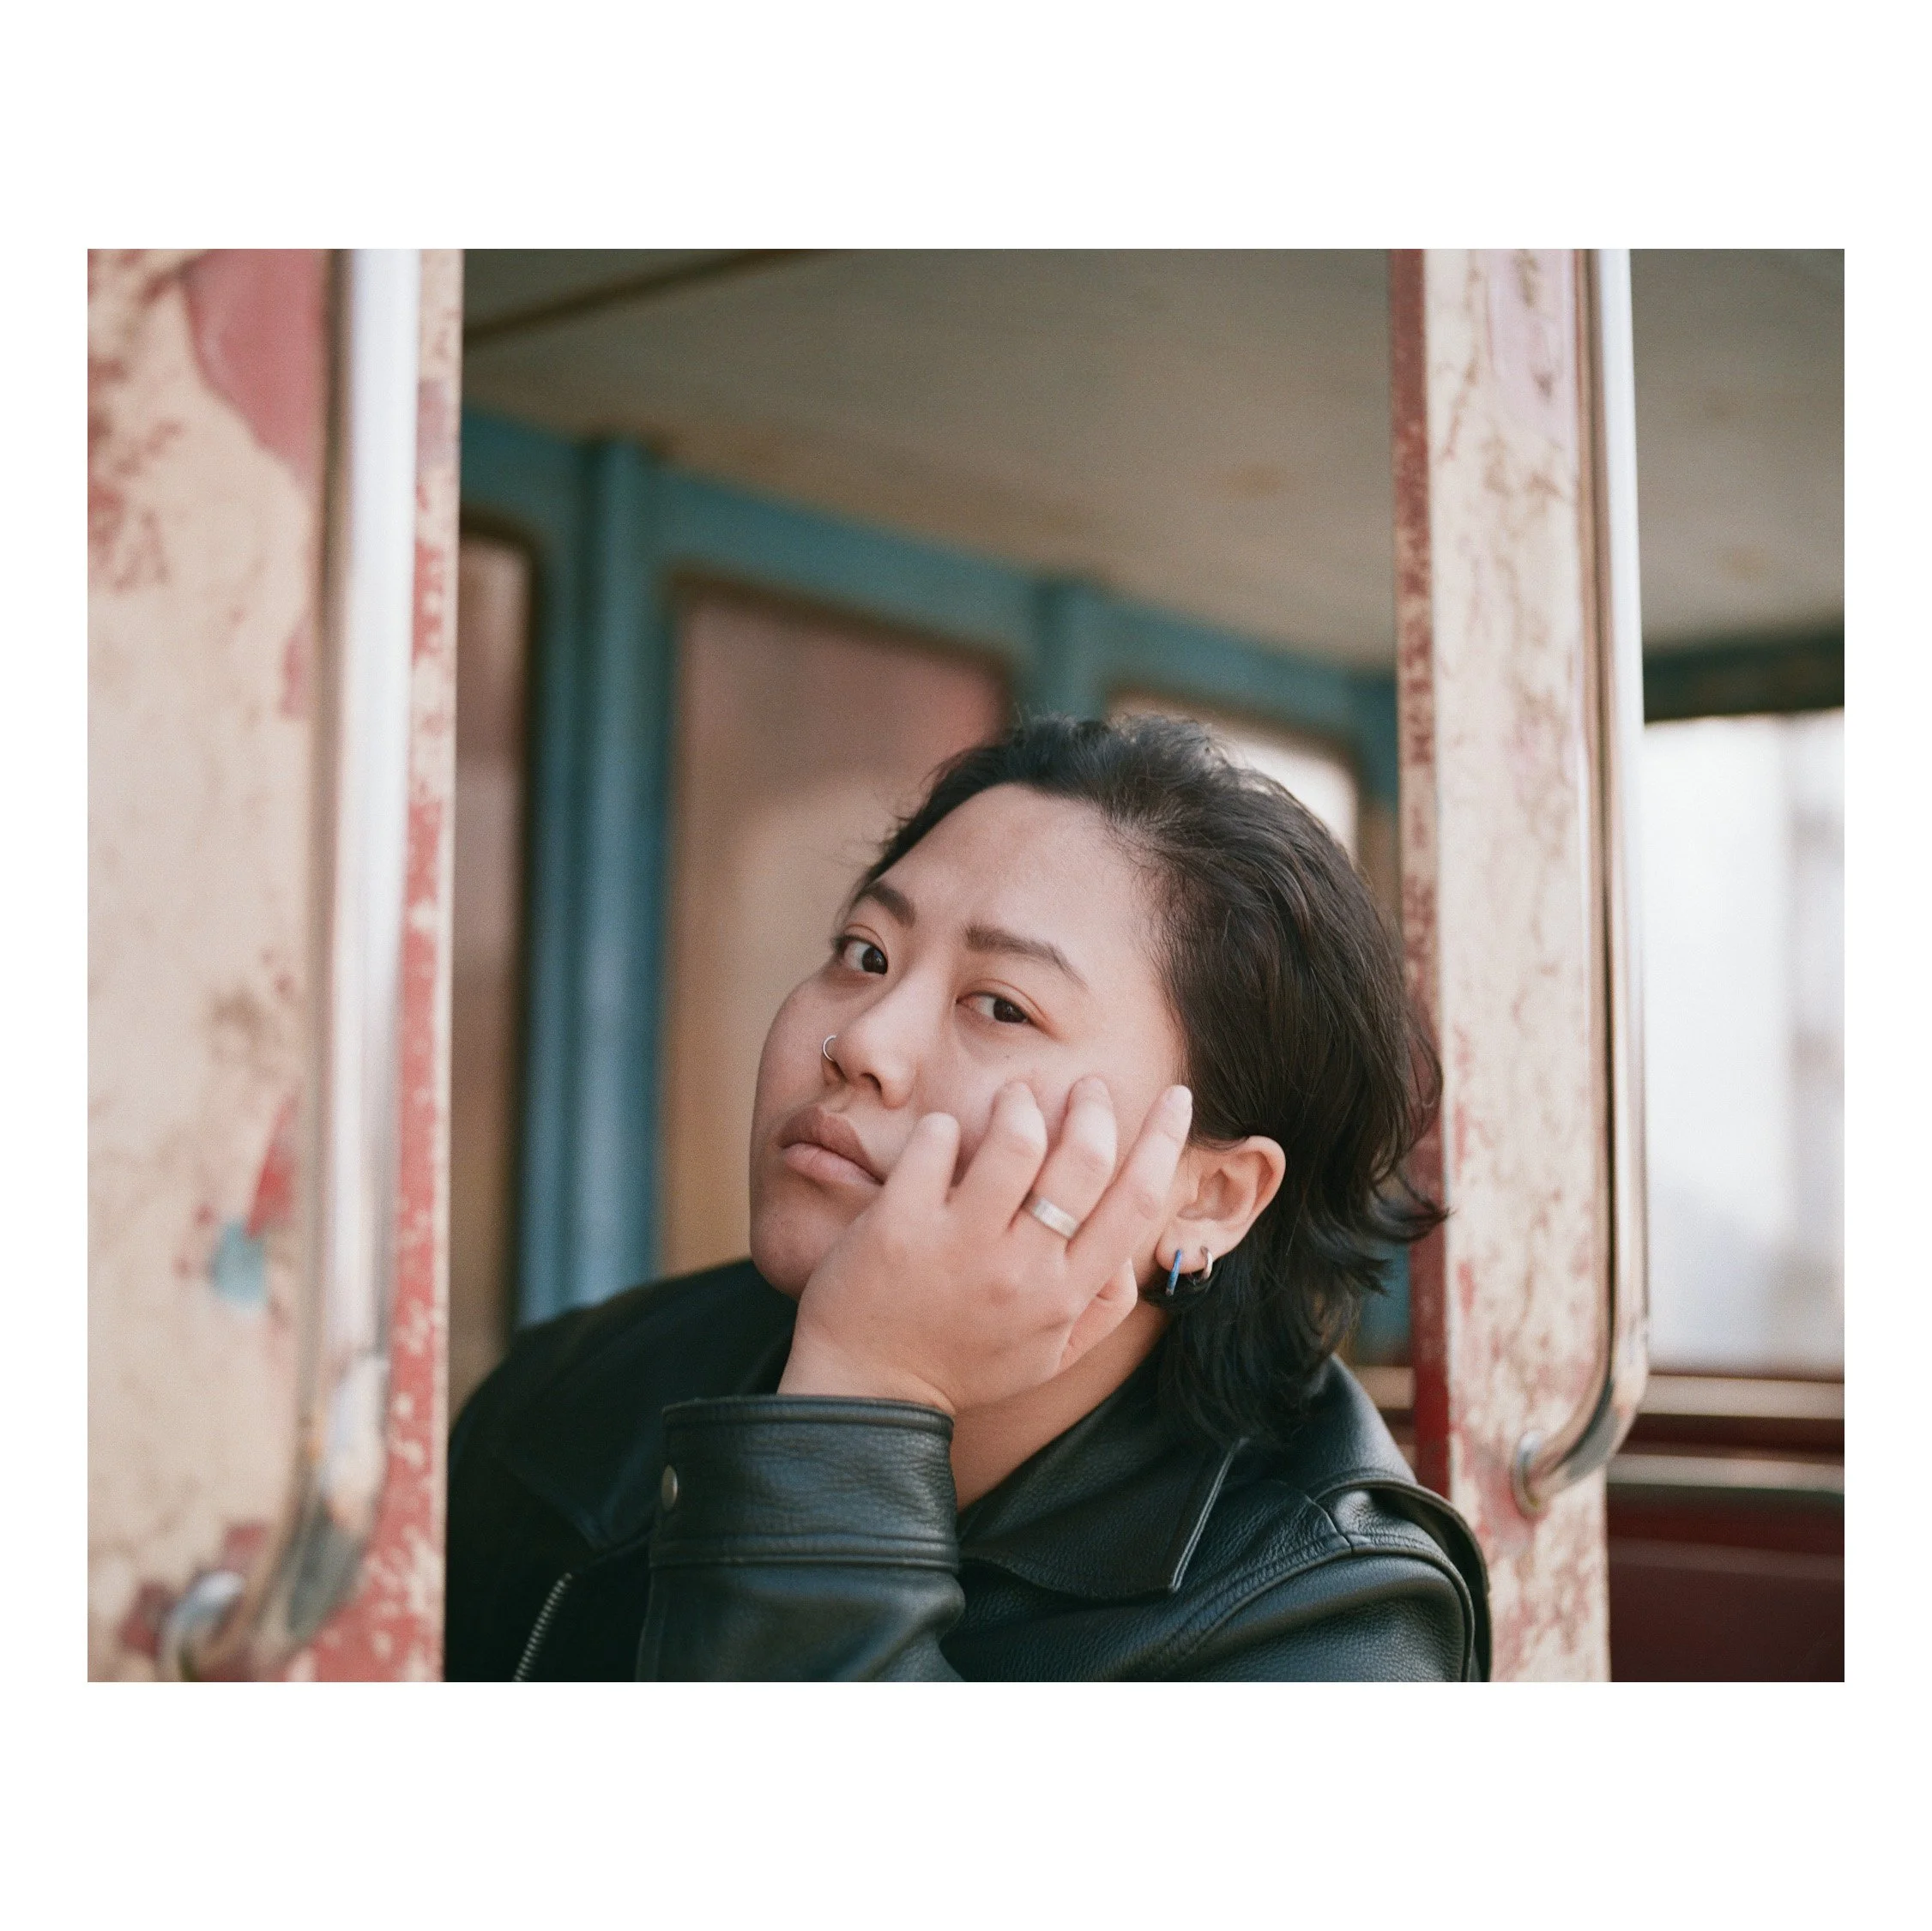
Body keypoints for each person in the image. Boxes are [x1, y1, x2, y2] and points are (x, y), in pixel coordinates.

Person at [446, 713, 1488, 1680]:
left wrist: (865, 1393)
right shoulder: (570, 1391)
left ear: (1210, 1194)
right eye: (865, 954)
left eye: (999, 1005)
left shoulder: (1332, 1612)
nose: (859, 1042)